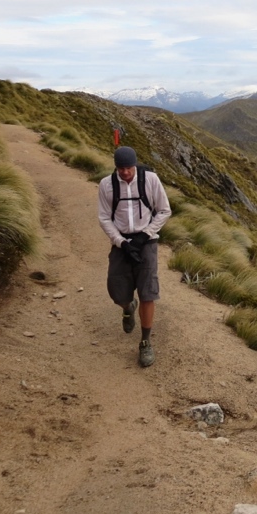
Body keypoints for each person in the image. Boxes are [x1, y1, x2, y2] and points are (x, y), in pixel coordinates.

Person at [97, 146, 172, 367]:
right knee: (116, 290)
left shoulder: (150, 180)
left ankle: (145, 342)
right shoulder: (106, 185)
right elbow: (104, 217)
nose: (125, 172)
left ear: (135, 165)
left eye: (129, 168)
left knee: (148, 292)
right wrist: (121, 242)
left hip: (146, 241)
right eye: (120, 168)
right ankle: (128, 306)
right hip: (121, 243)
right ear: (115, 167)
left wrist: (144, 236)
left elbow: (164, 210)